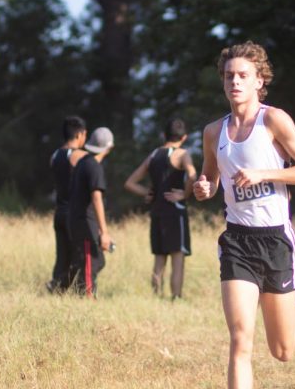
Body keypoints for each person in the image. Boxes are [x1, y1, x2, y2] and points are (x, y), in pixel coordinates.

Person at [193, 41, 295, 389]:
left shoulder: (275, 121)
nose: (234, 81)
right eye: (229, 75)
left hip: (276, 243)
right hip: (238, 242)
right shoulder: (214, 132)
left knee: (282, 350)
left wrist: (267, 172)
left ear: (259, 81)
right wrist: (204, 187)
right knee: (239, 339)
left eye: (242, 75)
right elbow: (212, 176)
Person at [124, 118, 197, 299]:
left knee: (159, 258)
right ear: (184, 137)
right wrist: (185, 194)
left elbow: (130, 183)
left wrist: (146, 193)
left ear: (164, 135)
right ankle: (176, 298)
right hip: (175, 211)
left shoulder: (154, 154)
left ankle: (157, 297)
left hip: (157, 211)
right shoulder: (182, 154)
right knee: (178, 258)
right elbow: (192, 175)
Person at [68, 127, 115, 298]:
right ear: (109, 147)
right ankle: (87, 301)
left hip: (77, 220)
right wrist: (105, 232)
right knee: (90, 263)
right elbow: (96, 198)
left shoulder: (82, 162)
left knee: (95, 261)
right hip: (86, 223)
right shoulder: (94, 166)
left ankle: (79, 296)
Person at [47, 116, 88, 293]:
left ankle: (56, 288)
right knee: (78, 254)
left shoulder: (54, 155)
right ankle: (80, 291)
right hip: (73, 213)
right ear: (79, 134)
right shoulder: (78, 156)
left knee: (62, 255)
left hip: (59, 212)